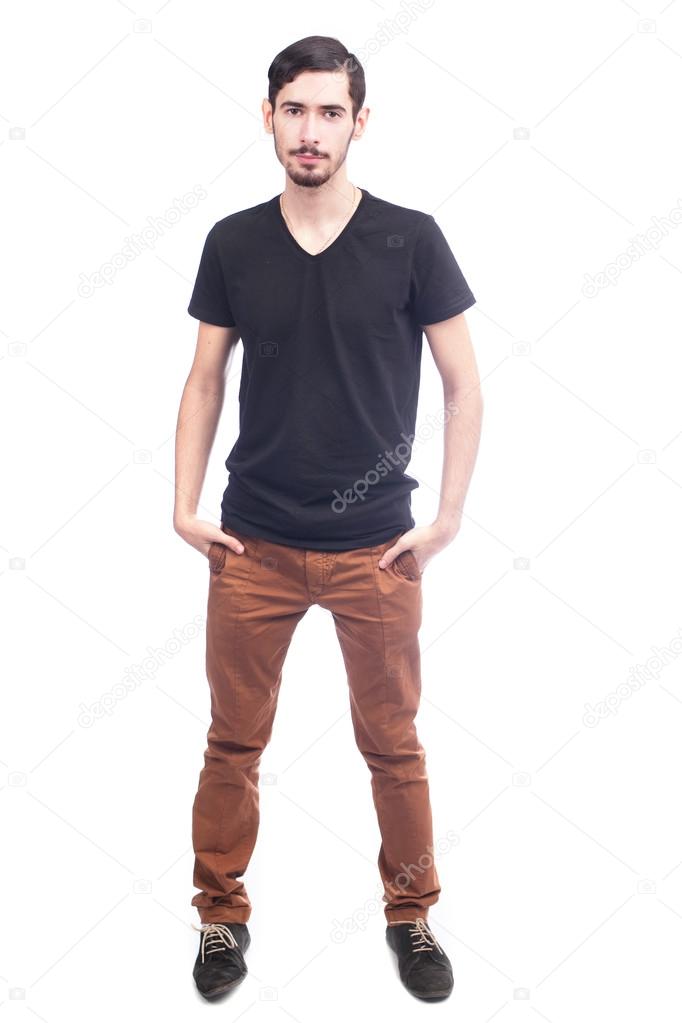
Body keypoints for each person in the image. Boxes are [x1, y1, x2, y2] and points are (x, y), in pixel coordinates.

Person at [174, 34, 482, 1002]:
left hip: (375, 548)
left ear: (359, 121)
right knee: (234, 742)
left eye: (330, 111)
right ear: (268, 115)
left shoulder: (411, 238)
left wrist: (446, 520)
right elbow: (205, 379)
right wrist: (181, 507)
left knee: (393, 745)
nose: (311, 131)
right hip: (252, 542)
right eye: (295, 110)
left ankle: (411, 914)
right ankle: (221, 920)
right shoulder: (234, 241)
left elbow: (464, 385)